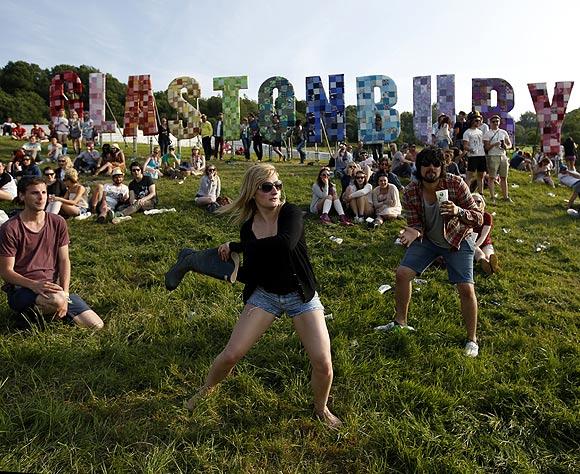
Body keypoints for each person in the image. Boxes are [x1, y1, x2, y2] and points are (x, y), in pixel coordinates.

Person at [179, 163, 341, 428]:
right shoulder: (248, 227)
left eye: (278, 185)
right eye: (267, 187)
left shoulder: (290, 213)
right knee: (231, 355)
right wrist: (230, 272)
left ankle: (321, 408)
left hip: (300, 295)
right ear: (253, 192)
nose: (274, 191)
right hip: (265, 294)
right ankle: (206, 389)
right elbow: (255, 272)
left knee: (323, 363)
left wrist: (239, 247)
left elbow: (284, 244)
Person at [380, 147, 483, 357]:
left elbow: (478, 218)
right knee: (402, 274)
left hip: (457, 239)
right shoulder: (410, 192)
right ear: (419, 167)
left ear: (442, 167)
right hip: (428, 240)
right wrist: (412, 233)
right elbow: (416, 224)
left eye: (436, 164)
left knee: (466, 289)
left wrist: (458, 211)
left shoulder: (455, 183)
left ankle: (472, 339)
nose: (431, 168)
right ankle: (400, 322)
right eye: (426, 164)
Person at [0, 178, 103, 328]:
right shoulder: (10, 228)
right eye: (35, 193)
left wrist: (65, 294)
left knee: (96, 325)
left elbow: (64, 260)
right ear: (22, 196)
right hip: (22, 289)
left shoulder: (58, 222)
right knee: (56, 301)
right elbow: (5, 272)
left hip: (53, 289)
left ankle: (45, 314)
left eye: (44, 192)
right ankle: (30, 317)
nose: (41, 197)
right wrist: (34, 285)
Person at [483, 115, 513, 203]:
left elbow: (510, 144)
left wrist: (506, 146)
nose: (496, 123)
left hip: (503, 155)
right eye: (493, 121)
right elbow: (486, 147)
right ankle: (492, 197)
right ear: (490, 123)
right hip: (493, 156)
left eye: (497, 121)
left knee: (504, 177)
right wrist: (494, 144)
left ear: (499, 122)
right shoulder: (488, 133)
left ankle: (505, 196)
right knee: (492, 177)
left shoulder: (503, 132)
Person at [470, 193, 499, 275]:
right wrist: (475, 246)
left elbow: (484, 235)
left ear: (482, 203)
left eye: (478, 201)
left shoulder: (487, 216)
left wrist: (476, 245)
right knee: (480, 254)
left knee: (489, 254)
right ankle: (486, 264)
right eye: (473, 201)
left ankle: (491, 263)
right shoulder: (467, 215)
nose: (476, 203)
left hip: (484, 242)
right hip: (472, 242)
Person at [463, 112, 486, 194]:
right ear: (472, 121)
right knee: (470, 175)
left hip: (481, 155)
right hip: (473, 156)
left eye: (479, 121)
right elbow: (465, 146)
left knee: (481, 175)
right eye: (476, 120)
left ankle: (481, 193)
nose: (478, 122)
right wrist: (471, 149)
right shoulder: (467, 132)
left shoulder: (480, 132)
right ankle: (466, 193)